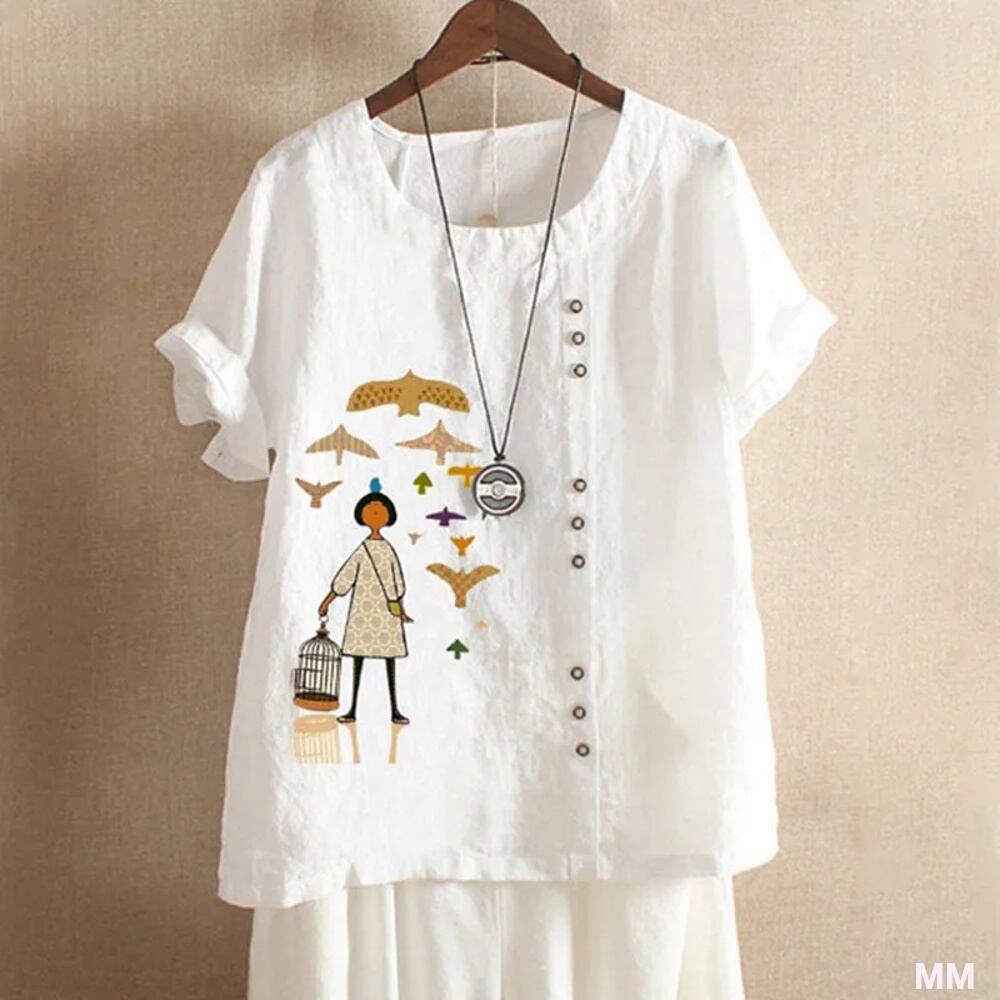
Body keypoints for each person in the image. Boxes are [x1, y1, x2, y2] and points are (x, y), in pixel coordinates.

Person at [318, 478, 412, 725]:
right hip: (362, 609)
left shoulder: (387, 550)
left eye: (380, 509)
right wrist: (328, 600)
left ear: (388, 515)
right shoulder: (363, 550)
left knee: (390, 662)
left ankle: (394, 709)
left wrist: (400, 608)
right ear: (362, 515)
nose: (375, 513)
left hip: (385, 612)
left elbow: (397, 582)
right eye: (370, 509)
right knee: (357, 661)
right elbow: (345, 577)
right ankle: (352, 709)